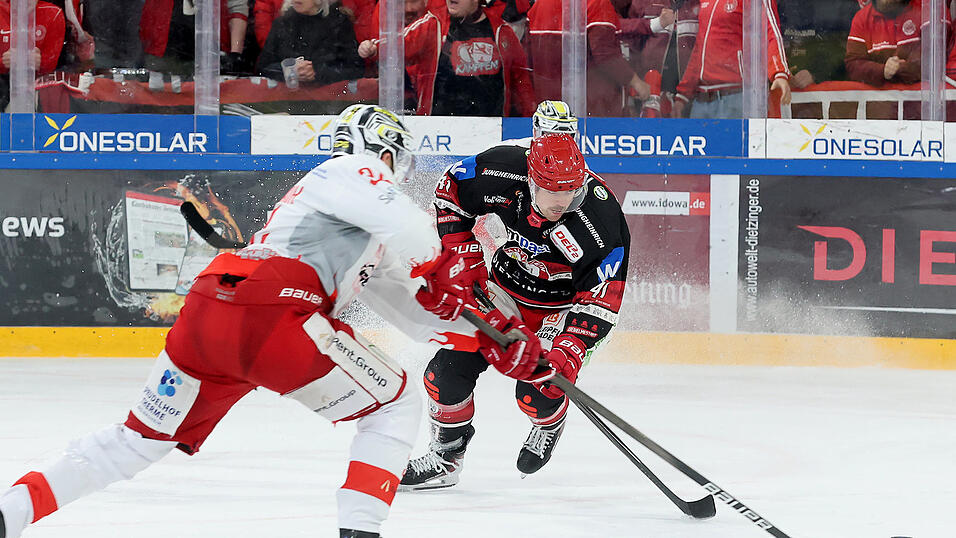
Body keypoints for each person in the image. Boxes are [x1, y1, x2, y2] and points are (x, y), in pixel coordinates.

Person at [0, 105, 487, 538]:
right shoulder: (350, 169)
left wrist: (490, 342)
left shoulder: (344, 218)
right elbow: (416, 234)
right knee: (394, 405)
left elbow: (415, 312)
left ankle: (11, 512)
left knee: (135, 442)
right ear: (385, 152)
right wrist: (445, 264)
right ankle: (360, 531)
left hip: (211, 310)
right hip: (272, 313)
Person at [398, 106, 631, 491]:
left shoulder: (602, 220)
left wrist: (570, 350)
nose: (561, 203)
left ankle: (549, 422)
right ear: (531, 180)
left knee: (536, 392)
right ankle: (446, 458)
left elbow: (602, 300)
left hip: (560, 312)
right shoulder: (503, 169)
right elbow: (450, 192)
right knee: (444, 376)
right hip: (501, 293)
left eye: (570, 193)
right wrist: (464, 257)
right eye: (552, 192)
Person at [357, 0, 536, 116]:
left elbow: (521, 80)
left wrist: (529, 118)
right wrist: (374, 48)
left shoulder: (502, 31)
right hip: (438, 127)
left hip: (492, 128)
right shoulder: (433, 24)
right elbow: (401, 43)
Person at [671, 0, 791, 119]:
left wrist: (779, 72)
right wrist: (683, 95)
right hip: (702, 101)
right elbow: (700, 49)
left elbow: (771, 30)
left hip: (737, 96)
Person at [257, 0, 365, 86]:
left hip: (329, 101)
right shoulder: (282, 24)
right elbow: (263, 67)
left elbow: (355, 68)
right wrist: (288, 71)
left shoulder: (338, 23)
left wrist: (318, 72)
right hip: (288, 99)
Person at [845, 0, 949, 86]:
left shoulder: (928, 8)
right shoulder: (862, 18)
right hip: (882, 103)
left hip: (924, 102)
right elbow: (853, 65)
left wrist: (899, 69)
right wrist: (882, 70)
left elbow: (933, 61)